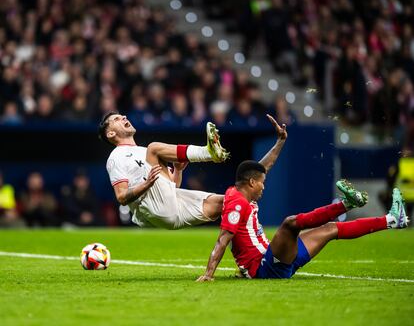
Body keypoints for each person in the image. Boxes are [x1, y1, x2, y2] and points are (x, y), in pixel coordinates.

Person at [197, 140, 409, 281]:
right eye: (261, 182)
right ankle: (345, 205)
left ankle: (392, 219)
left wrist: (280, 141)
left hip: (277, 259)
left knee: (331, 229)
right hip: (265, 267)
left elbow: (263, 167)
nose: (264, 185)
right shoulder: (237, 203)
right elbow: (223, 239)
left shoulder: (243, 190)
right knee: (290, 223)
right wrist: (209, 273)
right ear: (251, 182)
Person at [98, 111, 232, 229]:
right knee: (154, 148)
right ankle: (207, 153)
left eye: (122, 116)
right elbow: (121, 197)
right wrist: (146, 184)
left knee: (227, 202)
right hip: (152, 207)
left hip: (170, 208)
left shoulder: (144, 152)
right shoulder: (116, 157)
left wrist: (178, 171)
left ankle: (251, 235)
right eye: (116, 119)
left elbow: (172, 188)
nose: (124, 117)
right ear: (111, 133)